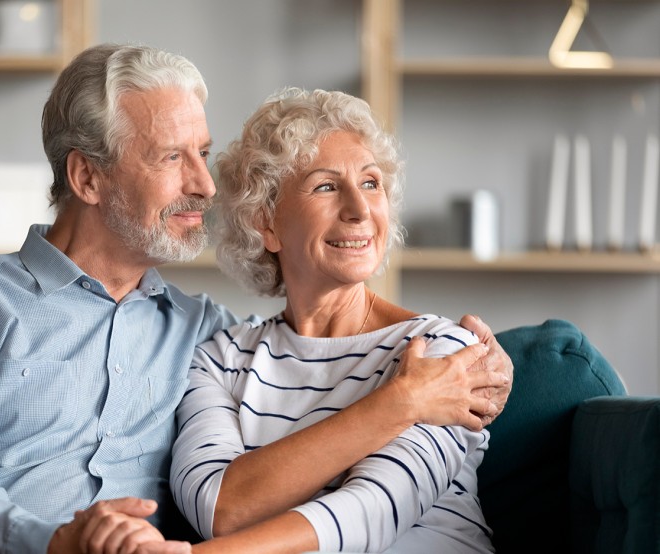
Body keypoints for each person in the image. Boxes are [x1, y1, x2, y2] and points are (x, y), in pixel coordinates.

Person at [0, 44, 512, 554]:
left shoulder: (204, 331)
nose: (204, 185)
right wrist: (55, 544)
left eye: (203, 154)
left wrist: (491, 368)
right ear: (87, 176)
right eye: (174, 157)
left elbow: (317, 354)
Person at [170, 87, 498, 553]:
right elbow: (221, 508)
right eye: (326, 185)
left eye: (370, 183)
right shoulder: (222, 360)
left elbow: (372, 510)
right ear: (267, 223)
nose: (360, 209)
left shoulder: (440, 351)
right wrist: (399, 402)